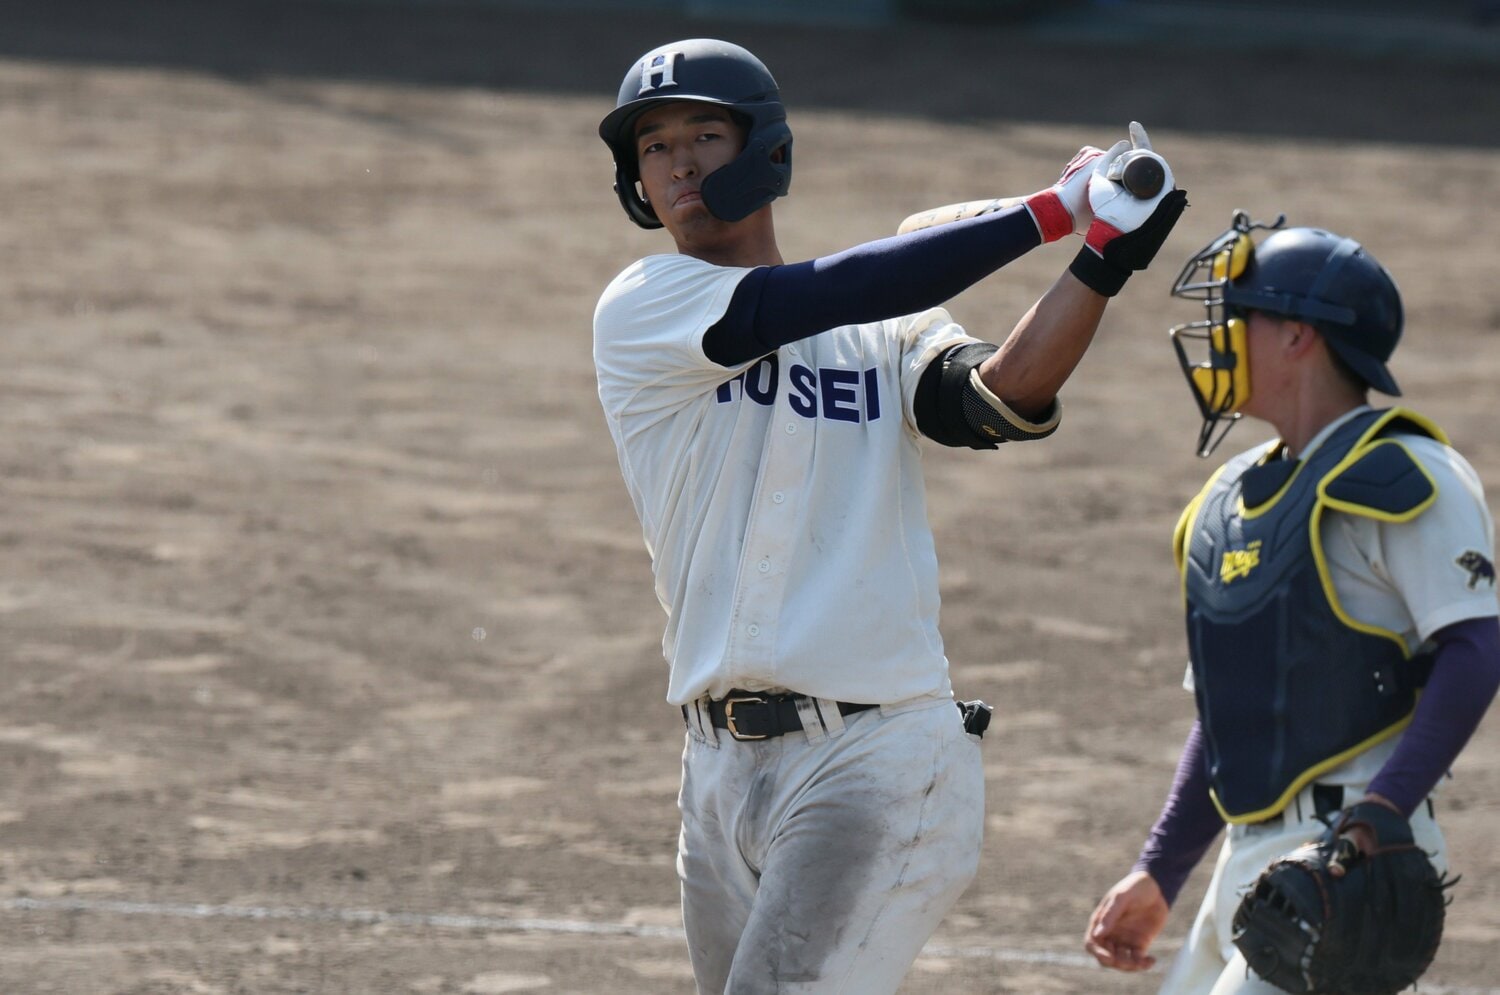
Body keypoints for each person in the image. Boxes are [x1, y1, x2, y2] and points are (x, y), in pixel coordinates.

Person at [592, 37, 1187, 995]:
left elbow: (999, 401)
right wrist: (1052, 208)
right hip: (714, 774)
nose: (681, 162)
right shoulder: (644, 306)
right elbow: (837, 289)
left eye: (705, 133)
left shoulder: (884, 334)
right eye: (655, 146)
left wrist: (1100, 259)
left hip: (875, 761)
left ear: (765, 150)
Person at [1084, 211, 1500, 993]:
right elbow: (1231, 710)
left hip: (1346, 855)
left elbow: (1476, 647)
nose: (1220, 338)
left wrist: (1382, 811)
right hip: (1255, 862)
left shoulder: (1406, 473)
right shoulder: (1230, 498)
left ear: (1298, 336)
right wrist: (1160, 870)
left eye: (1239, 317)